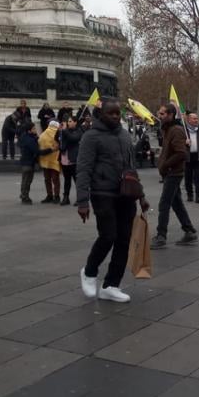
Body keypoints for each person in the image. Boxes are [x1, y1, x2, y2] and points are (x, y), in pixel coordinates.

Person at [76, 100, 149, 303]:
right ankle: (89, 272)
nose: (116, 116)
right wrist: (82, 201)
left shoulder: (125, 135)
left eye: (118, 113)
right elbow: (83, 169)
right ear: (101, 114)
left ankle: (111, 285)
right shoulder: (91, 137)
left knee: (124, 240)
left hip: (126, 194)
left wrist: (141, 195)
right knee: (108, 235)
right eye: (111, 113)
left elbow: (131, 168)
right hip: (102, 193)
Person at [153, 103, 198, 248]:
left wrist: (166, 165)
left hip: (174, 172)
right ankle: (189, 231)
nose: (159, 116)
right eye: (159, 113)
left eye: (162, 113)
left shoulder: (176, 130)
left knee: (164, 203)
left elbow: (181, 153)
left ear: (170, 115)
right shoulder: (168, 130)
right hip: (169, 172)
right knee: (176, 202)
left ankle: (161, 236)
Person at [58, 116, 84, 206]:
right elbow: (57, 139)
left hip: (73, 159)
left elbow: (73, 138)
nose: (68, 123)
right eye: (68, 121)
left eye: (70, 121)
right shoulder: (65, 131)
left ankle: (80, 199)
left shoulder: (79, 131)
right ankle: (66, 197)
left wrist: (65, 131)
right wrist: (60, 130)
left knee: (77, 180)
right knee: (67, 179)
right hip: (64, 158)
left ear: (75, 122)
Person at [184, 112, 199, 203]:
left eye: (196, 119)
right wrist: (185, 143)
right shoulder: (184, 130)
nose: (196, 120)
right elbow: (178, 143)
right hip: (188, 157)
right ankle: (189, 194)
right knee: (188, 177)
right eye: (194, 119)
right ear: (189, 120)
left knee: (198, 178)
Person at [38, 120, 61, 203]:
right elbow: (59, 145)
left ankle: (49, 195)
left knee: (47, 179)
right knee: (55, 179)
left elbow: (39, 143)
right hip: (55, 159)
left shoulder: (43, 134)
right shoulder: (58, 133)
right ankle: (56, 196)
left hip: (45, 159)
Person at [18, 125, 42, 204]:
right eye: (34, 128)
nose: (36, 130)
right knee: (27, 180)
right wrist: (50, 150)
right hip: (28, 162)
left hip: (25, 161)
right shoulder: (30, 140)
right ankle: (25, 196)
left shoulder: (25, 137)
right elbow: (37, 151)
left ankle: (23, 195)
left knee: (25, 180)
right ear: (29, 130)